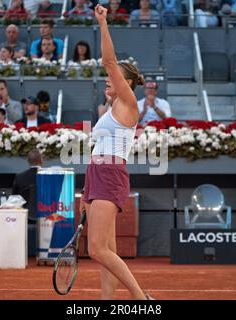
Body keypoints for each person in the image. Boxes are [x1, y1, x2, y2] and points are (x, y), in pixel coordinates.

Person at [80, 4, 151, 301]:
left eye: (115, 76)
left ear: (128, 83)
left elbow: (108, 59)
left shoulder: (128, 102)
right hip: (96, 173)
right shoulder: (111, 108)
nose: (108, 78)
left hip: (110, 174)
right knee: (106, 250)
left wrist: (102, 22)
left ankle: (140, 297)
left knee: (96, 249)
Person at [12, 148, 43, 221]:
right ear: (41, 160)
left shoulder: (19, 177)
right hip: (46, 219)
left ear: (28, 161)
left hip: (24, 219)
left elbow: (14, 200)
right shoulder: (49, 177)